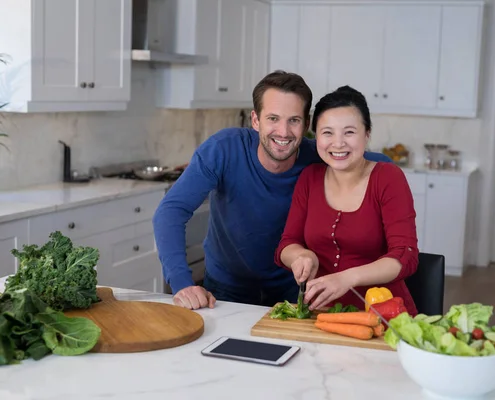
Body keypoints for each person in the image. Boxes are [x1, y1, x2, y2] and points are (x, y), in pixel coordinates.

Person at [152, 71, 391, 310]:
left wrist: (389, 177)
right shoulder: (223, 149)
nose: (284, 131)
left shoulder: (319, 158)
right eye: (273, 118)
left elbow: (375, 161)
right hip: (225, 288)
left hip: (294, 290)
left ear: (306, 124)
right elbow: (171, 210)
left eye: (294, 120)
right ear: (255, 120)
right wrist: (182, 284)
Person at [274, 85, 420, 316]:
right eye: (328, 132)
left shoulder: (388, 178)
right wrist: (301, 256)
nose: (338, 143)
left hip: (384, 316)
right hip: (321, 317)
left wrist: (347, 278)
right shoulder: (309, 178)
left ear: (367, 134)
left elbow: (405, 255)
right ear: (316, 137)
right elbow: (287, 244)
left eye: (349, 132)